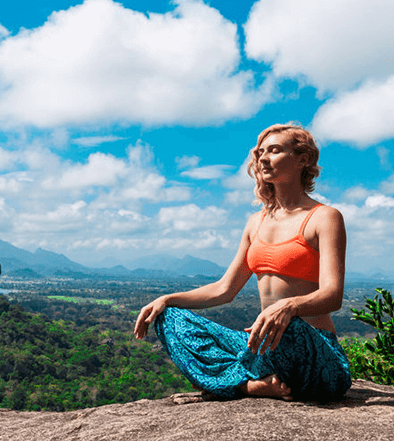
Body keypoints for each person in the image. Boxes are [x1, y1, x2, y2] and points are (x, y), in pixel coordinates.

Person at [133, 123, 351, 402]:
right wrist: (167, 299)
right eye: (260, 153)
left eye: (274, 151)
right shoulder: (255, 222)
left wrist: (290, 306)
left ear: (303, 159)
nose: (263, 159)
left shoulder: (324, 217)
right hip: (264, 347)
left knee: (290, 326)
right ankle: (249, 386)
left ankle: (235, 380)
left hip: (312, 350)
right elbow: (225, 289)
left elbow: (333, 296)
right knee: (169, 317)